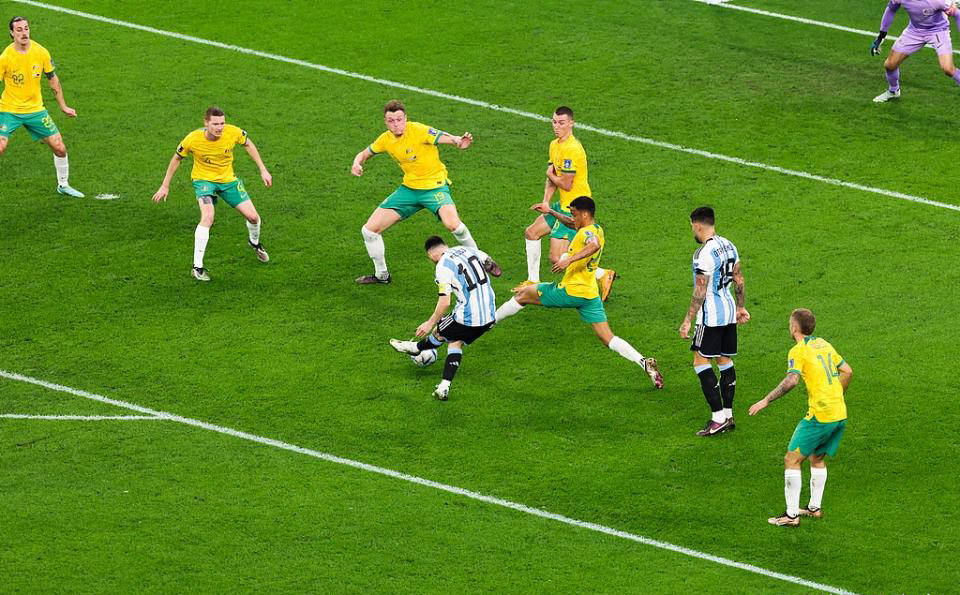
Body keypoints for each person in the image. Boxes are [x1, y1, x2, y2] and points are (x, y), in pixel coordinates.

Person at [496, 196, 663, 389]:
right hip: (589, 295)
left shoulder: (588, 235)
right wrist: (551, 212)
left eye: (574, 214)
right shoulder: (595, 228)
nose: (572, 218)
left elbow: (594, 245)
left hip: (571, 291)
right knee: (608, 338)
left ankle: (488, 322)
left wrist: (569, 259)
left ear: (584, 214)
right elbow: (574, 225)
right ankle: (644, 362)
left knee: (523, 294)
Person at [351, 100, 499, 284]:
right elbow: (364, 153)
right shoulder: (385, 139)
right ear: (385, 122)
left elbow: (442, 136)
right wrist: (357, 163)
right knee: (369, 230)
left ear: (406, 118)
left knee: (454, 225)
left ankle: (481, 260)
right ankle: (382, 275)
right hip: (409, 190)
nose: (396, 124)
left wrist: (457, 141)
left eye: (399, 119)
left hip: (434, 188)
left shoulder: (419, 130)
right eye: (391, 121)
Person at [748, 309, 853, 527]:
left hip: (820, 416)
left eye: (790, 324)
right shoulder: (823, 344)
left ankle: (791, 516)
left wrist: (765, 401)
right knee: (817, 458)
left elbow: (792, 381)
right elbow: (847, 371)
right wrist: (836, 394)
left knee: (792, 459)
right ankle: (814, 509)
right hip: (839, 413)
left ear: (795, 328)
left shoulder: (798, 350)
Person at [151, 106, 272, 281]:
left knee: (253, 217)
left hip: (228, 181)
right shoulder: (193, 139)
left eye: (222, 123)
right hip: (204, 182)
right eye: (215, 124)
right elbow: (177, 158)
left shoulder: (232, 132)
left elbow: (247, 143)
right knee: (208, 217)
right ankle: (197, 267)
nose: (220, 128)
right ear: (206, 123)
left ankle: (254, 243)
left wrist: (263, 169)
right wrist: (165, 185)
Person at [521, 106, 616, 301]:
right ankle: (532, 281)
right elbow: (552, 178)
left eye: (561, 123)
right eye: (554, 122)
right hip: (563, 204)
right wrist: (546, 202)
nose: (556, 126)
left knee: (557, 258)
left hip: (576, 209)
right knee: (531, 233)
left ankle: (602, 274)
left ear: (571, 123)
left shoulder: (572, 149)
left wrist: (549, 174)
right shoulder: (554, 145)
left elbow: (565, 183)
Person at [389, 236, 497, 400]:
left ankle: (415, 348)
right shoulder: (468, 249)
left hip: (468, 316)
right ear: (445, 245)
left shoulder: (442, 266)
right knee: (455, 341)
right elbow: (494, 268)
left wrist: (429, 322)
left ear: (430, 255)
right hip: (490, 315)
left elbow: (445, 301)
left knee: (439, 331)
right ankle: (443, 387)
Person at [678, 206, 749, 437]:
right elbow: (739, 279)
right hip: (728, 311)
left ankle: (718, 419)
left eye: (692, 226)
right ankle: (728, 415)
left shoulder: (703, 254)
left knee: (700, 361)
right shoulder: (729, 245)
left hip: (710, 316)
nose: (692, 230)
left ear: (698, 225)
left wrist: (688, 320)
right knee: (724, 359)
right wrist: (740, 307)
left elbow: (700, 291)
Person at [0, 16, 83, 197]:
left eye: (26, 28)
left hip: (35, 110)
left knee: (59, 147)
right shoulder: (5, 57)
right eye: (19, 30)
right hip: (9, 110)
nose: (24, 33)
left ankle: (63, 185)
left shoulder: (41, 52)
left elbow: (52, 79)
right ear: (12, 33)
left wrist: (63, 106)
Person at [870, 0, 960, 102]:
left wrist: (951, 9)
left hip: (938, 31)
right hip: (914, 31)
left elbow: (957, 13)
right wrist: (881, 36)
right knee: (890, 65)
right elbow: (891, 9)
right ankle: (893, 91)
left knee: (948, 68)